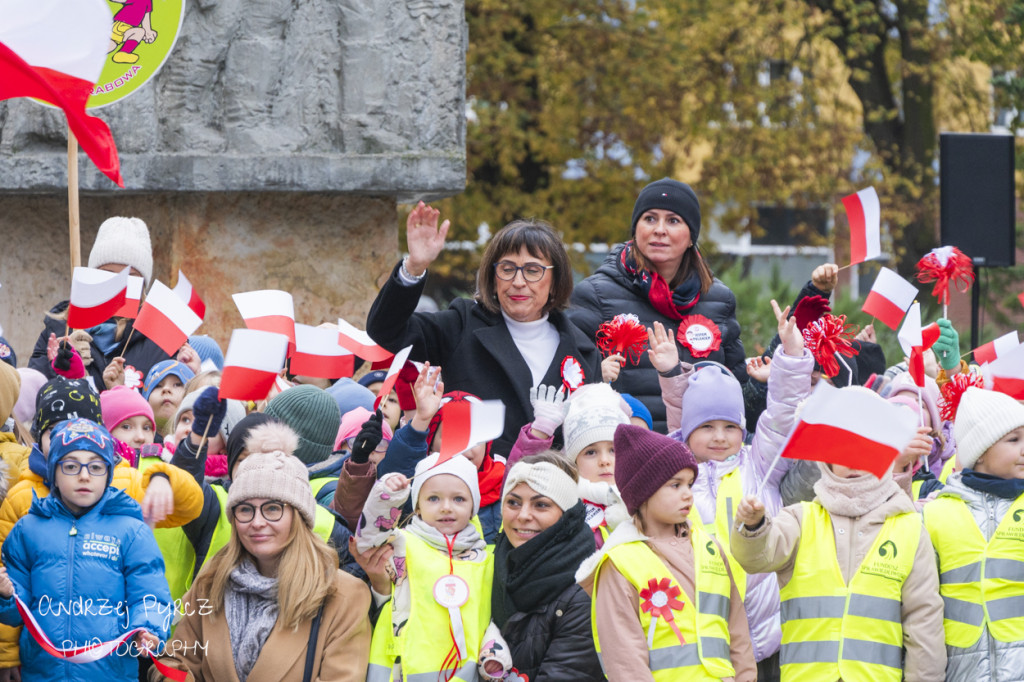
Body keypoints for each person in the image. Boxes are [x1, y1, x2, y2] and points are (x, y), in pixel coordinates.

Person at [731, 390, 946, 682]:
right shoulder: (800, 519)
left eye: (864, 448)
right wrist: (753, 527)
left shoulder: (908, 527)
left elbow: (924, 624)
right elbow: (756, 558)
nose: (854, 462)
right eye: (843, 450)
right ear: (826, 461)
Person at [366, 201, 601, 455]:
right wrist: (414, 266)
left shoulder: (584, 349)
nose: (518, 282)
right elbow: (386, 329)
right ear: (492, 277)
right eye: (507, 269)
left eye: (533, 270)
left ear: (556, 281)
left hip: (554, 490)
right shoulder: (462, 324)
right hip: (470, 488)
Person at [655, 300, 813, 678]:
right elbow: (679, 407)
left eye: (729, 426)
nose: (720, 437)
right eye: (707, 427)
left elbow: (783, 411)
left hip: (770, 632)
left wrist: (791, 355)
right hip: (703, 630)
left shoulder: (758, 462)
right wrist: (670, 373)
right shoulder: (675, 475)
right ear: (688, 432)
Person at [151, 433, 373, 681]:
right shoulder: (213, 579)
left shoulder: (342, 595)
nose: (257, 522)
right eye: (245, 509)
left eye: (272, 509)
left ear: (298, 516)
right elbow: (176, 660)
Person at [577, 424, 755, 681]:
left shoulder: (709, 547)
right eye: (675, 485)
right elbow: (625, 661)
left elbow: (738, 633)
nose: (688, 495)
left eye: (690, 484)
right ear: (643, 492)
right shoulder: (619, 562)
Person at [0, 418, 172, 681]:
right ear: (53, 473)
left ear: (108, 473)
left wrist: (148, 628)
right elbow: (16, 612)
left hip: (110, 673)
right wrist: (6, 596)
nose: (84, 475)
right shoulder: (28, 529)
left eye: (95, 466)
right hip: (43, 673)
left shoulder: (131, 531)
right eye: (70, 466)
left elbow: (150, 593)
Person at [568, 178, 745, 433]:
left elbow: (737, 393)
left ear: (691, 236)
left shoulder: (718, 300)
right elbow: (571, 384)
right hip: (621, 458)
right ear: (636, 228)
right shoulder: (595, 295)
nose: (659, 229)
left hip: (697, 461)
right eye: (650, 218)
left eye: (673, 220)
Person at [356, 452, 512, 680]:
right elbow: (366, 541)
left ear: (473, 507)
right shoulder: (402, 543)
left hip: (463, 674)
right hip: (399, 670)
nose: (446, 507)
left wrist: (493, 652)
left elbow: (490, 617)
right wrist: (387, 496)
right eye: (433, 499)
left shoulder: (487, 558)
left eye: (459, 499)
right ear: (417, 506)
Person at [922, 386, 1024, 681]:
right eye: (1013, 440)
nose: (1023, 448)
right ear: (980, 453)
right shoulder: (935, 514)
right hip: (961, 672)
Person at [492, 452, 604, 680]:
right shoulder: (485, 564)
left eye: (541, 505)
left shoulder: (584, 590)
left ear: (566, 516)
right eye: (513, 502)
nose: (523, 515)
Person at [28, 217, 172, 391]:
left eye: (129, 277)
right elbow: (33, 398)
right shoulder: (60, 329)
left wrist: (194, 369)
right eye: (108, 273)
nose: (117, 285)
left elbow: (176, 402)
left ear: (142, 284)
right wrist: (62, 365)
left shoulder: (159, 336)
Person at [507, 383, 631, 548]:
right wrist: (539, 434)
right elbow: (519, 481)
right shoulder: (562, 502)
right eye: (591, 452)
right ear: (574, 461)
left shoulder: (647, 499)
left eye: (614, 450)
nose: (604, 461)